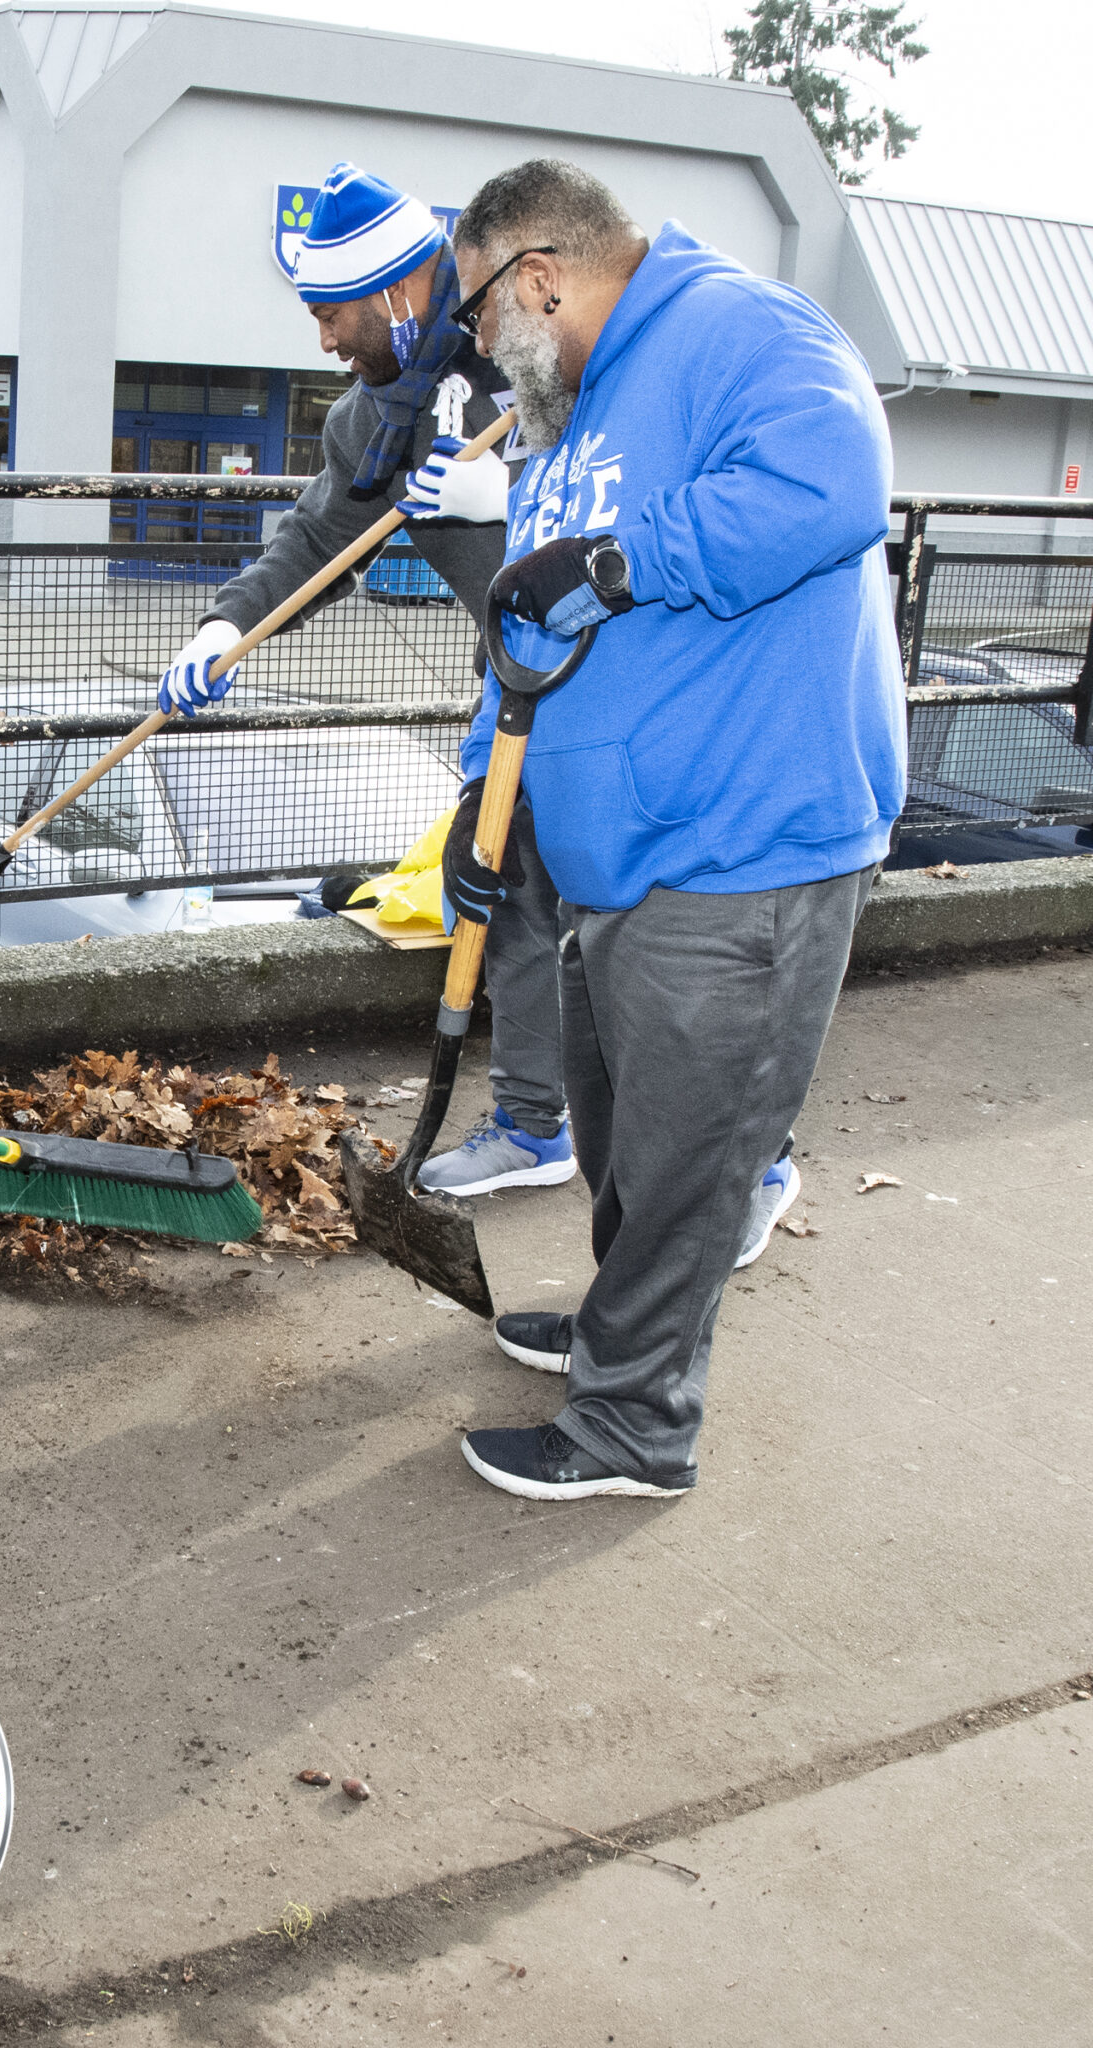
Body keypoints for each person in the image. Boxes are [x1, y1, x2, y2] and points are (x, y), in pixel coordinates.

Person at [442, 159, 902, 1502]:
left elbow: (829, 485)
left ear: (536, 275)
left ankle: (635, 1426)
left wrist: (618, 559)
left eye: (478, 315)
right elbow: (523, 638)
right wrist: (488, 793)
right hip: (615, 856)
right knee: (622, 1139)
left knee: (691, 1157)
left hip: (742, 844)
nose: (478, 349)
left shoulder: (743, 330)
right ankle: (615, 1337)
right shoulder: (565, 415)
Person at [154, 161, 576, 1199]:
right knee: (508, 890)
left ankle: (729, 1145)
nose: (324, 340)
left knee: (640, 913)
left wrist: (510, 499)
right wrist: (221, 627)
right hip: (518, 687)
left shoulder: (529, 358)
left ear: (396, 290)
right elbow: (310, 542)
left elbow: (631, 496)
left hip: (628, 677)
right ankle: (534, 1125)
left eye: (331, 313)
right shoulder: (371, 424)